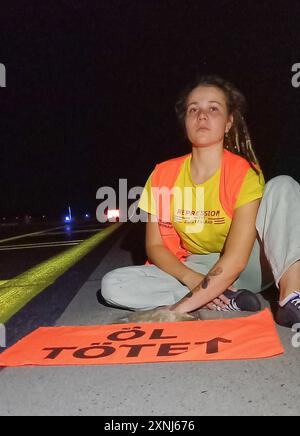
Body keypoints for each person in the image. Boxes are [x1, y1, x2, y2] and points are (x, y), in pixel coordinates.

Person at [101, 74, 300, 328]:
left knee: (282, 185)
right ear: (185, 120)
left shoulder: (244, 173)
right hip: (199, 264)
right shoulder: (163, 174)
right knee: (113, 285)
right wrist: (192, 279)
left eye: (213, 108)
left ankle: (292, 297)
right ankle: (225, 298)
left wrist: (177, 310)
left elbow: (237, 259)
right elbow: (155, 246)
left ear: (228, 122)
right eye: (193, 109)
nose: (202, 115)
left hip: (251, 266)